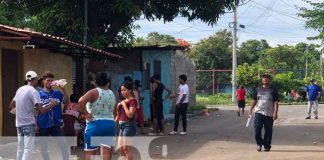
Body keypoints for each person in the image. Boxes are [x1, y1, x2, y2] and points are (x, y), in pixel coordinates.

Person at [9, 71, 57, 160]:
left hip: (18, 124)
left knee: (20, 148)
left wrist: (22, 111)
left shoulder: (20, 89)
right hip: (28, 124)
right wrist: (52, 104)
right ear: (35, 80)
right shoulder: (33, 91)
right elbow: (42, 111)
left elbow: (11, 105)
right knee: (28, 149)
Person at [78, 72, 117, 160]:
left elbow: (80, 101)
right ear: (108, 83)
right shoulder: (112, 94)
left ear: (96, 83)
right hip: (109, 124)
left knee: (90, 154)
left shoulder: (94, 92)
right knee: (106, 153)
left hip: (95, 125)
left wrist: (86, 114)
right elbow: (115, 111)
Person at [37, 71, 70, 160]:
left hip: (56, 124)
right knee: (44, 148)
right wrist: (36, 125)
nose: (50, 82)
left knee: (63, 145)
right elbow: (36, 111)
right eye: (48, 80)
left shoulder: (57, 93)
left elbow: (67, 102)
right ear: (43, 81)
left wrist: (63, 89)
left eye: (51, 81)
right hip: (43, 124)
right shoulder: (38, 94)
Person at [248, 74, 279, 152]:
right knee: (257, 128)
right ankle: (259, 143)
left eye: (267, 79)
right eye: (264, 79)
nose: (265, 80)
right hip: (259, 112)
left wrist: (275, 113)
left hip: (269, 113)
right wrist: (250, 109)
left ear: (269, 80)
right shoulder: (258, 89)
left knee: (268, 130)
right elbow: (254, 100)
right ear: (262, 80)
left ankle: (267, 146)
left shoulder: (273, 90)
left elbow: (276, 102)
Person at [116, 81, 137, 160]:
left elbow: (130, 115)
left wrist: (124, 105)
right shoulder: (122, 101)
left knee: (126, 149)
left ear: (130, 90)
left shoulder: (133, 101)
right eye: (121, 90)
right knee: (121, 148)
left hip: (129, 125)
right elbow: (118, 116)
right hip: (121, 125)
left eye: (124, 90)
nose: (122, 92)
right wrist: (118, 108)